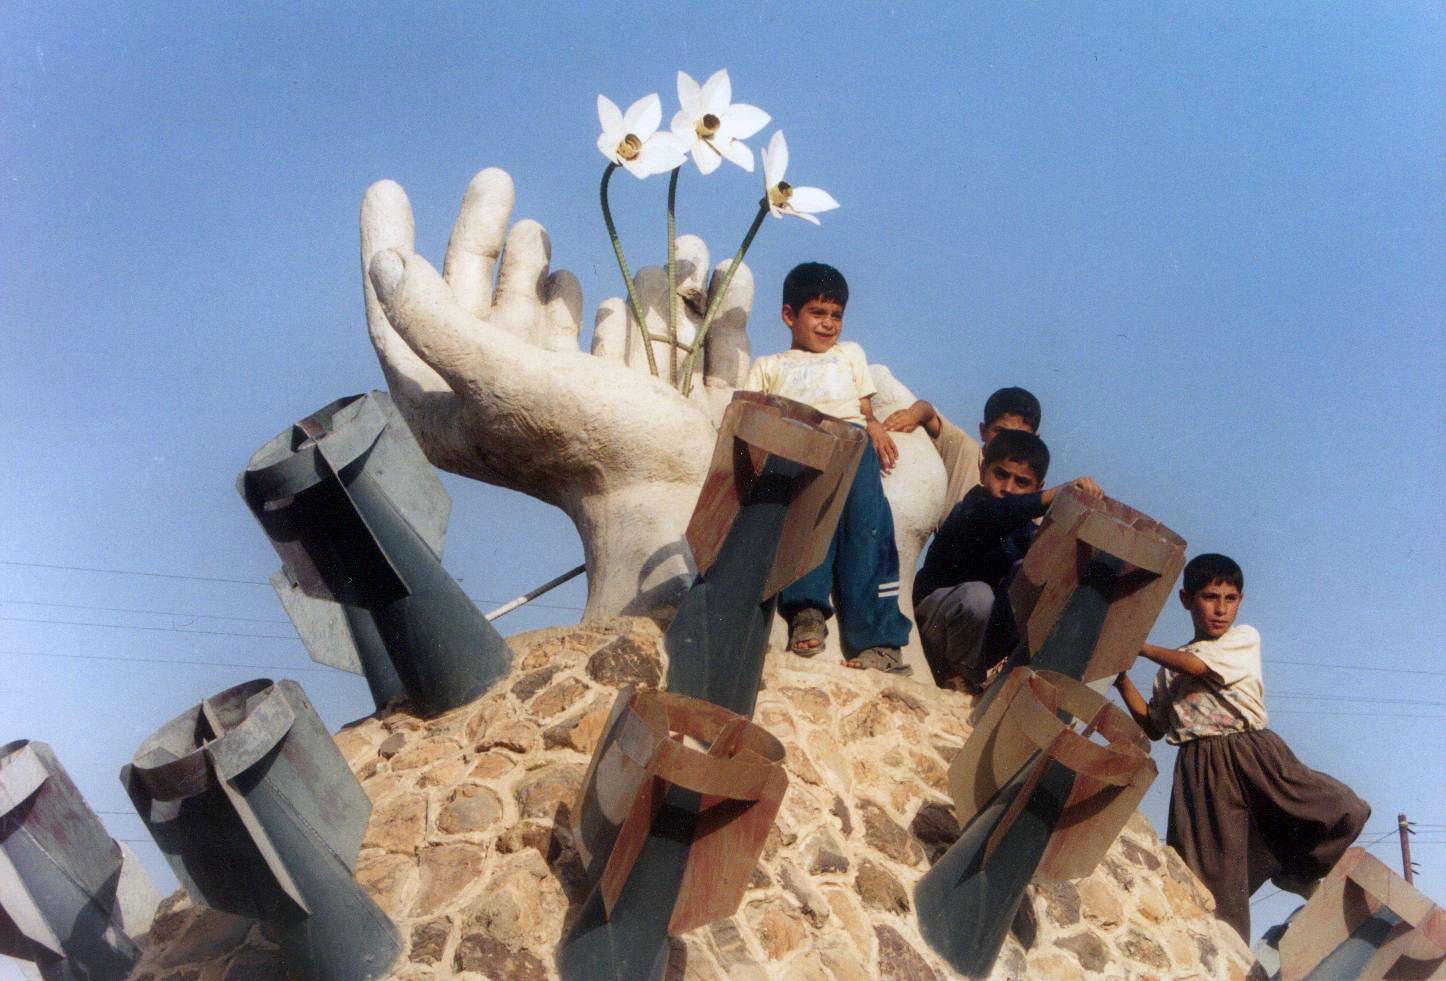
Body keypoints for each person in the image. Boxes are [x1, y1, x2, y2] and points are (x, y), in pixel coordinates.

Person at [1113, 553, 1371, 940]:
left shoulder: (1242, 639)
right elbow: (1153, 725)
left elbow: (1197, 666)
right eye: (1210, 597)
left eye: (1230, 598)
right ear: (1186, 600)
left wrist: (1139, 646)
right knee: (1212, 884)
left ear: (1240, 602)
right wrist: (1121, 681)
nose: (1220, 609)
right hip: (1201, 768)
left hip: (1256, 753)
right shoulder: (1169, 671)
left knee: (1344, 809)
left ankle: (1296, 870)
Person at [743, 262, 913, 674]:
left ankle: (879, 642)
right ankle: (807, 614)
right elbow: (751, 416)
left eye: (835, 315)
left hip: (853, 447)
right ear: (789, 316)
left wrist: (873, 426)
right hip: (801, 450)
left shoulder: (849, 354)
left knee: (869, 533)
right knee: (808, 528)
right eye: (817, 313)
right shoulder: (771, 365)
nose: (828, 324)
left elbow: (864, 407)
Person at [912, 429, 1102, 689]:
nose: (1008, 488)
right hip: (935, 626)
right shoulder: (973, 508)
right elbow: (1000, 514)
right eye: (1000, 475)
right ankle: (963, 677)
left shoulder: (1026, 533)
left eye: (1021, 482)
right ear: (982, 470)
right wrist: (1058, 495)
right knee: (978, 596)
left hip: (979, 643)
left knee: (1034, 574)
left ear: (1037, 486)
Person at [884, 386, 1043, 512]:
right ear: (983, 431)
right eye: (1000, 432)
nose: (1009, 441)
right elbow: (929, 412)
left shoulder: (1032, 480)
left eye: (1020, 435)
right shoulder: (963, 450)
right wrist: (912, 414)